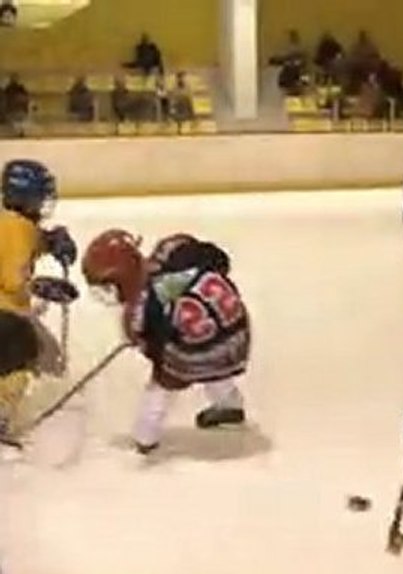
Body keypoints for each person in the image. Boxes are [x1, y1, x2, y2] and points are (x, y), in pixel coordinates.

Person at [81, 230, 250, 454]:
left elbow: (156, 352)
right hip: (238, 334)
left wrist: (150, 344)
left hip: (199, 352)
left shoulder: (137, 313)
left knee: (163, 382)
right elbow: (216, 259)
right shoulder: (173, 249)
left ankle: (146, 437)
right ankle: (230, 405)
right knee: (210, 353)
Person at [0, 160, 76, 445]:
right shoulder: (17, 228)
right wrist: (43, 288)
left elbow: (25, 242)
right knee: (32, 357)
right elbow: (13, 279)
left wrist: (49, 241)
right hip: (6, 314)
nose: (45, 203)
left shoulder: (11, 223)